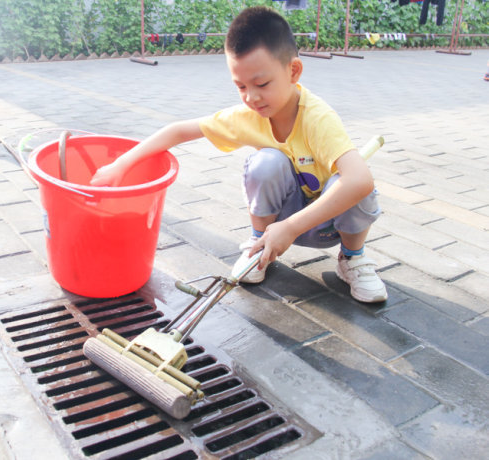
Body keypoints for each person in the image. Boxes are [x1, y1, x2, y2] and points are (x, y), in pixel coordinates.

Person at [90, 6, 387, 303]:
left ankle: (352, 259)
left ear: (293, 71)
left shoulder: (318, 118)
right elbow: (179, 131)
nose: (251, 97)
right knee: (266, 163)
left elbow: (360, 181)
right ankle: (259, 247)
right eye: (241, 86)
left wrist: (291, 226)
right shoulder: (249, 115)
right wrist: (121, 164)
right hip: (277, 228)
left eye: (262, 84)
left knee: (353, 182)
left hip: (327, 224)